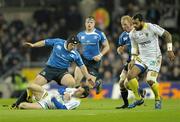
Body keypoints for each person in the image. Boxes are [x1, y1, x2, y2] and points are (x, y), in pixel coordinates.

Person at [12, 35, 93, 108]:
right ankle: (18, 103)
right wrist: (33, 45)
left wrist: (88, 77)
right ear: (68, 42)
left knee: (71, 82)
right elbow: (44, 42)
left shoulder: (75, 54)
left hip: (62, 72)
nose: (73, 47)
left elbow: (82, 67)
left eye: (75, 45)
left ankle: (65, 101)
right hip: (49, 69)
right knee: (33, 85)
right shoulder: (58, 42)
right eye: (72, 45)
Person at [125, 13, 175, 109]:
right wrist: (132, 59)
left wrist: (169, 50)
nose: (134, 26)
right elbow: (134, 47)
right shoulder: (132, 33)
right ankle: (138, 99)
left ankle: (157, 99)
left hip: (154, 57)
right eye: (133, 24)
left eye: (136, 23)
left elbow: (167, 35)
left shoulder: (151, 27)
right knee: (130, 76)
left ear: (142, 21)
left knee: (150, 80)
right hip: (142, 58)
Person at [116, 15, 146, 109]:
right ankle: (126, 103)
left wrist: (126, 47)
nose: (123, 26)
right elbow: (120, 47)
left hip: (138, 59)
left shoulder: (138, 32)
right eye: (122, 25)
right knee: (121, 83)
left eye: (125, 24)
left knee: (126, 83)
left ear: (130, 23)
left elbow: (140, 46)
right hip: (130, 60)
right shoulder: (122, 36)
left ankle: (139, 95)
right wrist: (119, 50)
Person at [74, 16, 110, 94]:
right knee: (76, 80)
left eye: (91, 22)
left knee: (89, 86)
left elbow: (107, 46)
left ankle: (97, 83)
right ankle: (75, 95)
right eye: (88, 22)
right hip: (83, 59)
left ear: (94, 24)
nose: (89, 24)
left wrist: (100, 55)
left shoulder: (99, 34)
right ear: (85, 24)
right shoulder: (80, 35)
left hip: (94, 61)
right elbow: (75, 46)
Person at [18, 83, 89, 110]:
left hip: (46, 105)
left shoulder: (76, 102)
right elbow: (60, 89)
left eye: (79, 91)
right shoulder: (73, 90)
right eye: (78, 88)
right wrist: (64, 93)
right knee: (30, 85)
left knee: (22, 105)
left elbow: (63, 108)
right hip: (46, 95)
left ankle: (32, 101)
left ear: (82, 95)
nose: (76, 90)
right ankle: (30, 99)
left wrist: (53, 99)